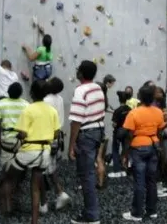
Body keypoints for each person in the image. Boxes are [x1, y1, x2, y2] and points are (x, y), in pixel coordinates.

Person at [0, 80, 60, 224]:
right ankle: (34, 221)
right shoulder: (52, 110)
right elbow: (56, 133)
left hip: (28, 152)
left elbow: (22, 134)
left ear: (31, 93)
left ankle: (5, 210)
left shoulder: (28, 110)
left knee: (8, 176)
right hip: (44, 152)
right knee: (35, 188)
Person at [68, 60, 105, 224]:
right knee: (89, 171)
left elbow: (76, 121)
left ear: (81, 73)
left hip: (87, 133)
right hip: (98, 131)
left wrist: (71, 145)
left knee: (86, 175)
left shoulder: (80, 90)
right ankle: (90, 210)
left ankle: (91, 215)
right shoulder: (98, 88)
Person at [121, 85, 166, 221]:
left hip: (138, 147)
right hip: (153, 146)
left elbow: (129, 135)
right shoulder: (158, 112)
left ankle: (136, 213)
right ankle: (152, 211)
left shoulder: (133, 113)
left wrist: (125, 154)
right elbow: (160, 130)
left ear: (139, 97)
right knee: (152, 180)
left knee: (139, 181)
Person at [40, 77, 71, 213]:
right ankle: (60, 194)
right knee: (51, 168)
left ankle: (43, 203)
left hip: (45, 137)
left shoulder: (46, 101)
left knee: (39, 170)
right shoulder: (59, 98)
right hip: (56, 137)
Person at [0, 82, 29, 180]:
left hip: (7, 141)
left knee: (5, 170)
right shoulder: (26, 104)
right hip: (22, 140)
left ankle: (6, 186)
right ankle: (17, 186)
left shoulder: (1, 103)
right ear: (20, 93)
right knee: (20, 167)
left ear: (8, 92)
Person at [95, 74, 116, 189]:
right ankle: (102, 178)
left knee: (97, 157)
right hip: (101, 128)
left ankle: (100, 182)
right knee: (100, 157)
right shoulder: (104, 100)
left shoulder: (95, 102)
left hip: (95, 130)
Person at [108, 90, 132, 178]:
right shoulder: (130, 110)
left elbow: (114, 124)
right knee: (126, 151)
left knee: (115, 150)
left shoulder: (117, 111)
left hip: (118, 133)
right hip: (127, 132)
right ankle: (125, 169)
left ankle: (117, 170)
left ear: (119, 100)